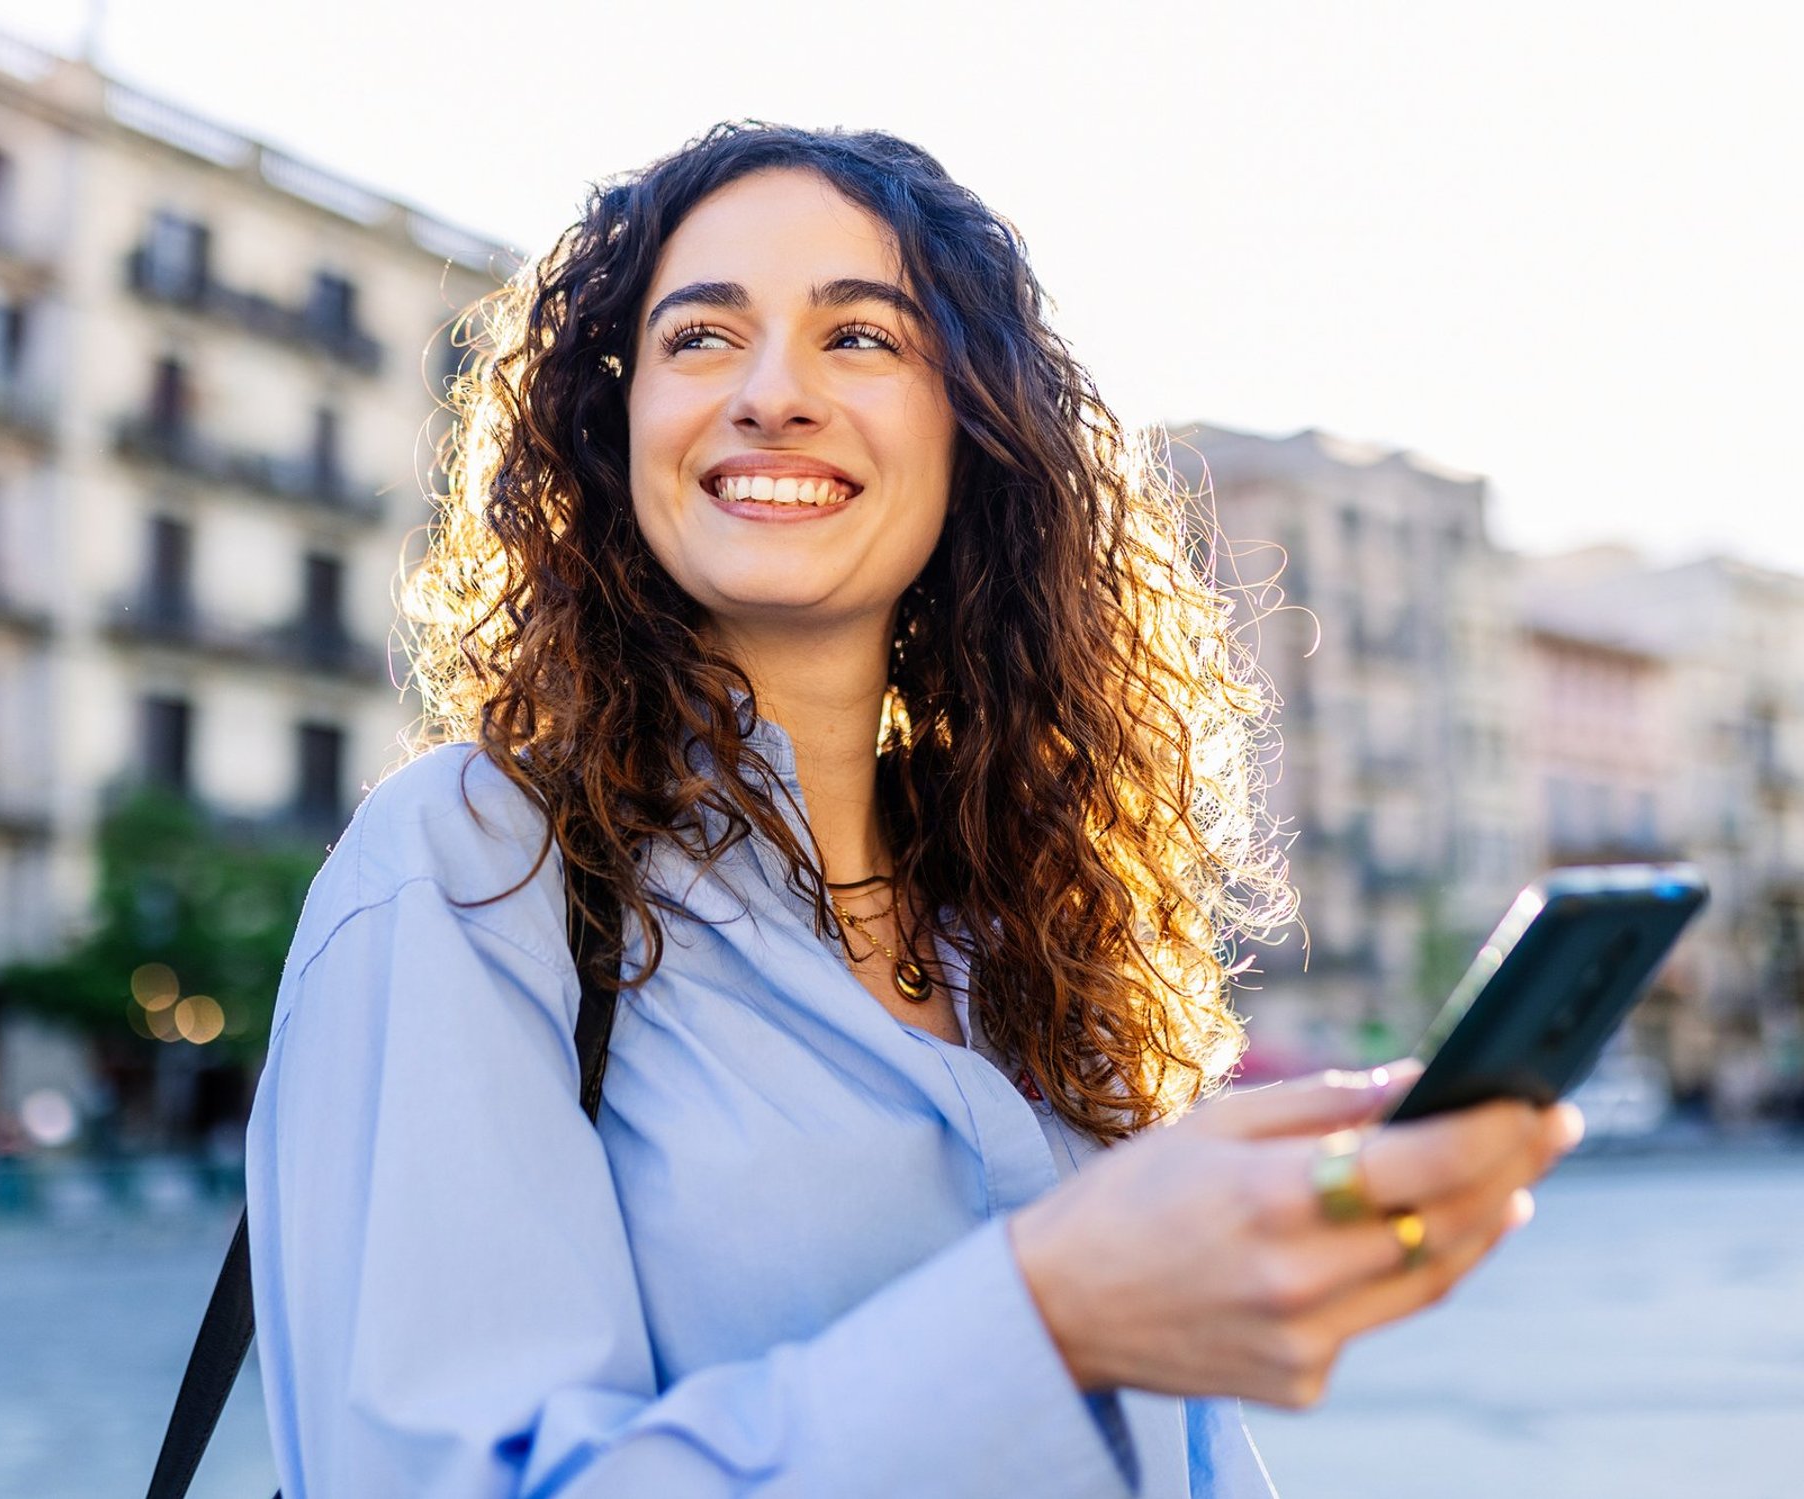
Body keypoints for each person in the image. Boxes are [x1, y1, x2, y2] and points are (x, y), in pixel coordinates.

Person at [244, 123, 1580, 1498]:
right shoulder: (469, 863)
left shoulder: (1022, 921)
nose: (772, 393)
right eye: (700, 338)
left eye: (861, 339)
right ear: (612, 425)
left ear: (974, 430)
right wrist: (1053, 1310)